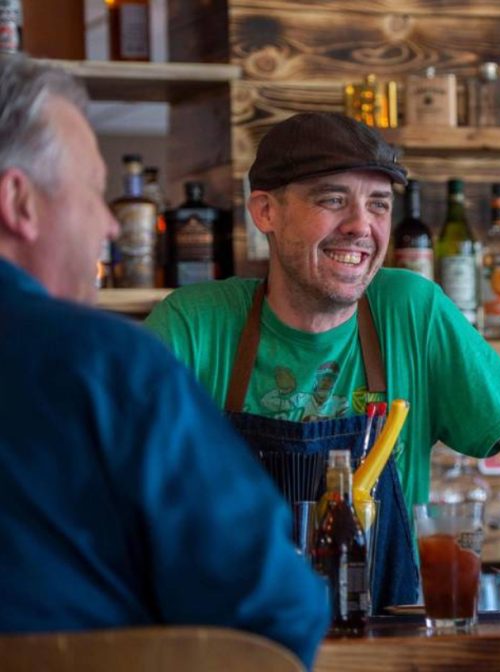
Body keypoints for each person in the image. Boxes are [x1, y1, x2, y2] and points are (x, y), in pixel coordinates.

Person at [144, 111, 500, 609]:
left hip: (391, 642)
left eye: (378, 204)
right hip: (236, 648)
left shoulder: (410, 309)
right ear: (266, 210)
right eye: (332, 200)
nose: (362, 226)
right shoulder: (194, 326)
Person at [0, 56, 328, 666]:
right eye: (94, 195)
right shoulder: (105, 366)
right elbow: (277, 608)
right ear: (19, 201)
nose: (109, 227)